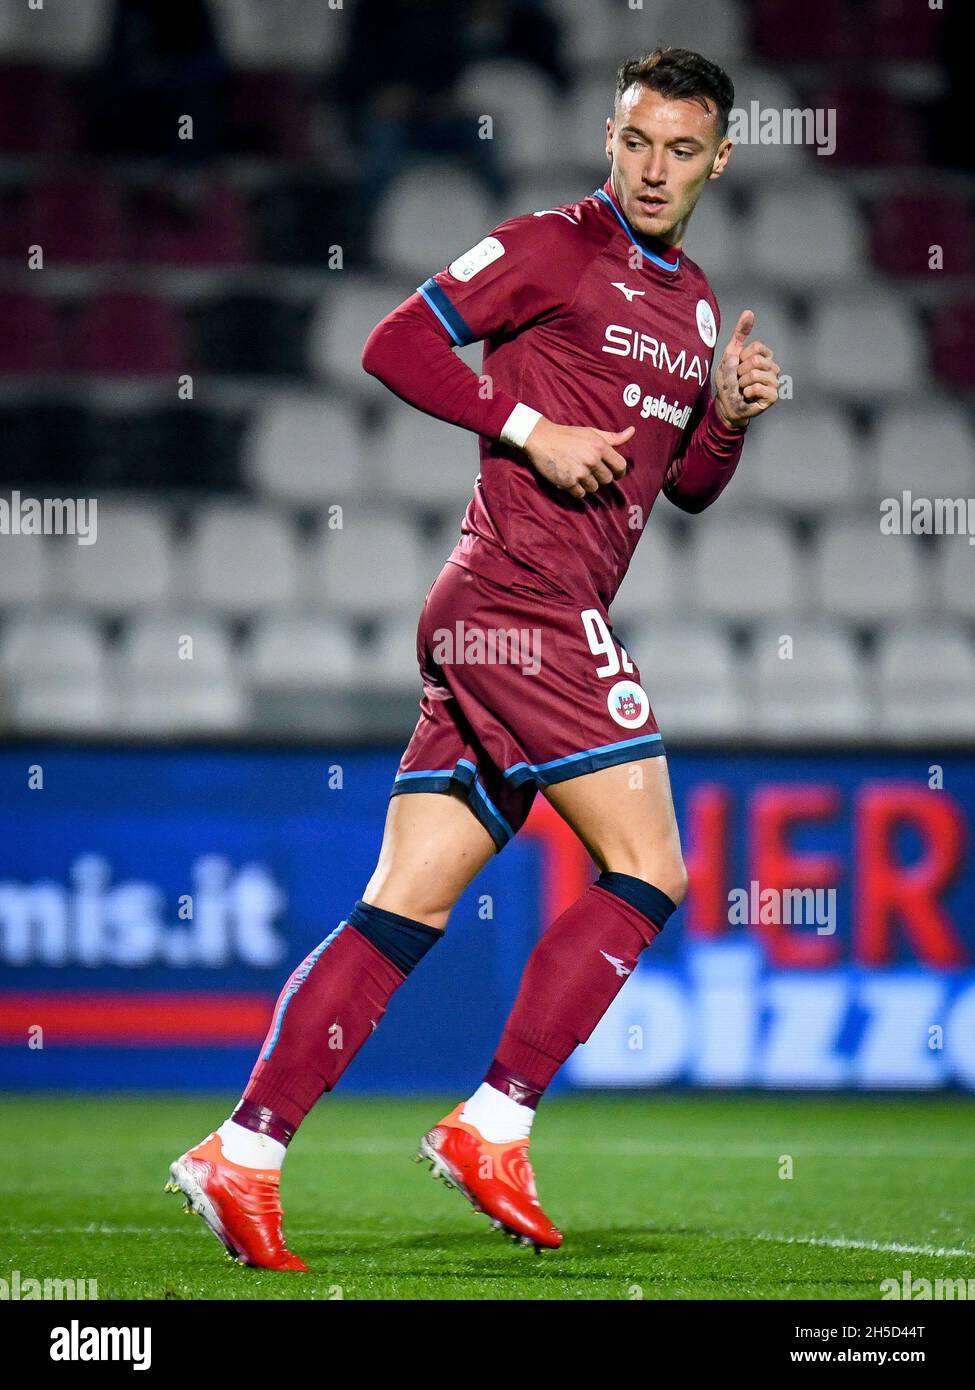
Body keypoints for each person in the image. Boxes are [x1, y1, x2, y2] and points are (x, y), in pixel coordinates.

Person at [166, 46, 780, 1271]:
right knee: (650, 860)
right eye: (636, 140)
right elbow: (395, 343)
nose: (654, 169)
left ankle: (244, 1151)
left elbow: (689, 492)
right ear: (609, 137)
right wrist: (531, 425)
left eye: (682, 149)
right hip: (521, 597)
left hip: (507, 622)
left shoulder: (698, 302)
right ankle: (493, 1122)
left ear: (719, 159)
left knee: (403, 907)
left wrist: (725, 417)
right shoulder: (552, 248)